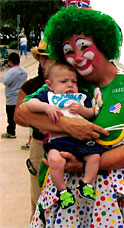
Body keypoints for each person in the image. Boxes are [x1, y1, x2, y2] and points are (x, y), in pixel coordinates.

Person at [18, 6, 124, 227]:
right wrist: (69, 125)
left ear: (103, 43)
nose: (76, 57)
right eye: (68, 51)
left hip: (118, 205)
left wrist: (82, 165)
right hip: (66, 205)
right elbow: (22, 112)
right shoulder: (66, 83)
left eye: (84, 46)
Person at [26, 60, 103, 208]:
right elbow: (29, 104)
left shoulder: (81, 97)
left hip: (80, 141)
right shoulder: (48, 96)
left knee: (94, 157)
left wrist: (83, 110)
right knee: (55, 161)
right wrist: (46, 108)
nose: (70, 85)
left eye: (73, 81)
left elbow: (92, 113)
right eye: (64, 81)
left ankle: (86, 184)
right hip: (58, 142)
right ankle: (62, 191)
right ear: (50, 85)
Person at [14, 39, 49, 220]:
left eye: (50, 57)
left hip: (68, 147)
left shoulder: (71, 82)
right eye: (43, 57)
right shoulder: (31, 86)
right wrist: (40, 124)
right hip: (40, 146)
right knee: (38, 197)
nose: (46, 61)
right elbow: (18, 116)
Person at [1, 52, 27, 139]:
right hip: (20, 95)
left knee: (10, 115)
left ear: (10, 62)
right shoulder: (24, 71)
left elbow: (5, 81)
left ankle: (11, 131)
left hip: (11, 96)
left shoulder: (11, 71)